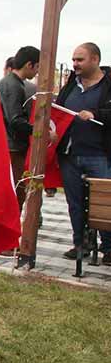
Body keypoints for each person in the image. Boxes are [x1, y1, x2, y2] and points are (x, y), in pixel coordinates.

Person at [54, 43, 111, 263]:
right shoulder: (70, 84)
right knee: (75, 203)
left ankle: (109, 248)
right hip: (71, 155)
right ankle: (81, 244)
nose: (75, 64)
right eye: (74, 59)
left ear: (95, 59)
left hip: (100, 155)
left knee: (105, 202)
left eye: (80, 59)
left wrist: (96, 114)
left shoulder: (108, 85)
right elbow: (59, 110)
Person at [0, 46, 40, 211]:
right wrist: (39, 131)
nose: (37, 72)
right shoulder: (14, 86)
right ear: (29, 65)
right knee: (17, 192)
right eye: (37, 67)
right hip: (12, 147)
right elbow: (15, 120)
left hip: (6, 144)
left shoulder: (8, 83)